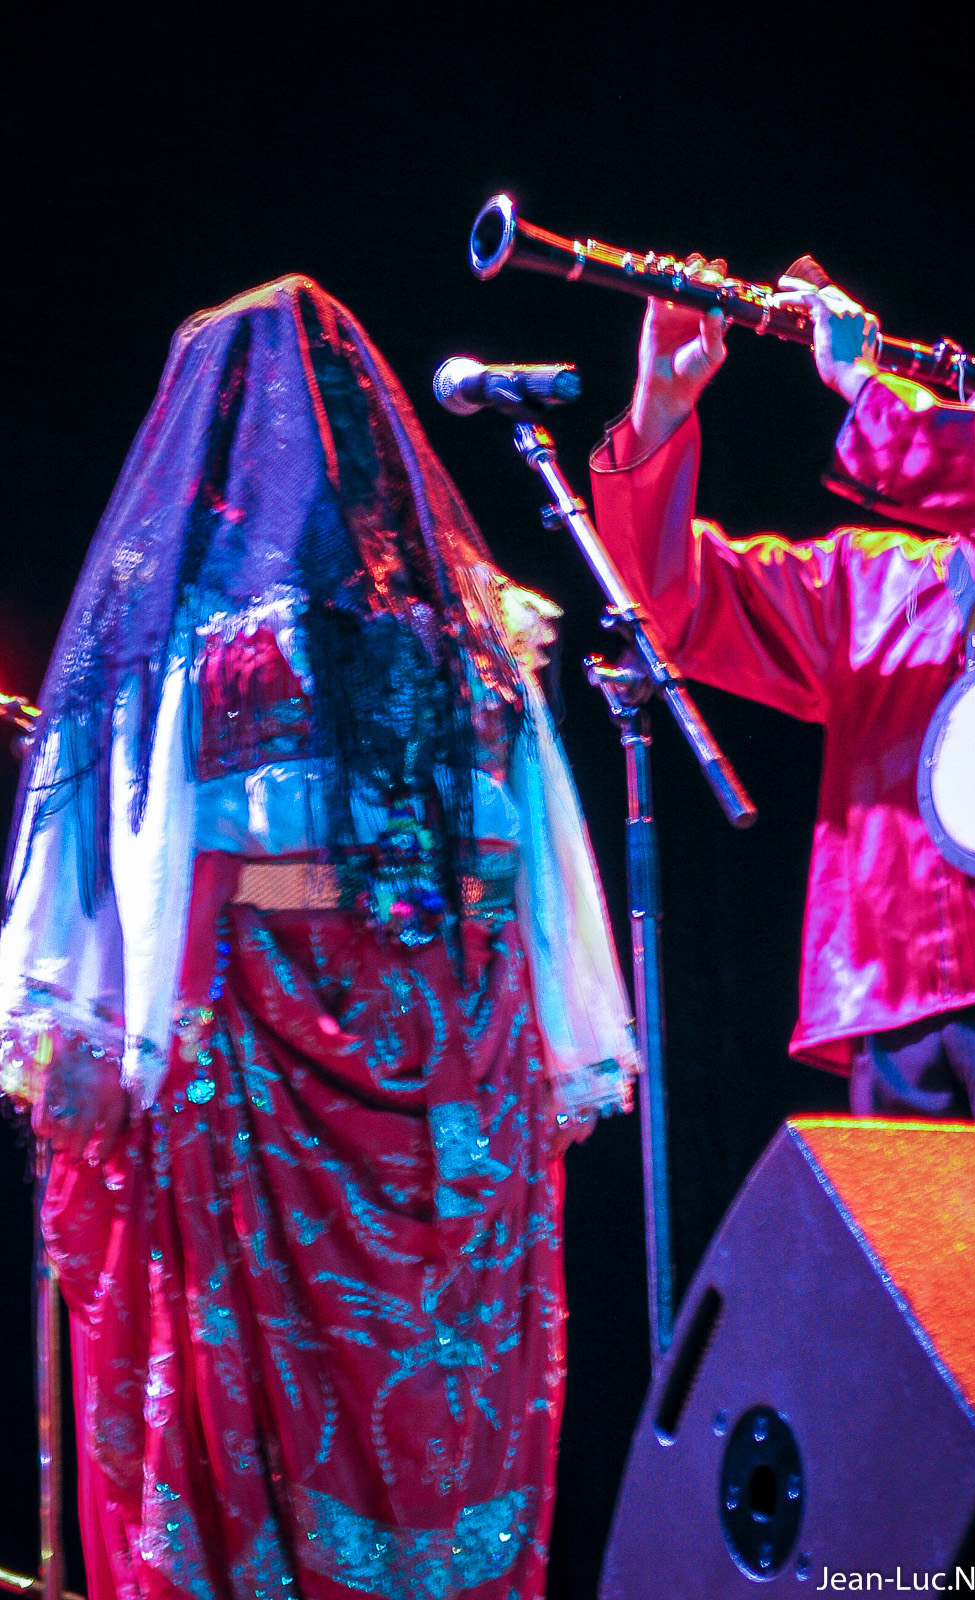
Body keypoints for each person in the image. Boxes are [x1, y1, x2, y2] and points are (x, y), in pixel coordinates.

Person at [0, 275, 637, 1600]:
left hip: (284, 1058)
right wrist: (570, 1041)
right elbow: (543, 863)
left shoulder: (194, 637)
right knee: (432, 1403)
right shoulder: (480, 635)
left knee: (282, 1415)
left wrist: (84, 1023)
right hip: (452, 1064)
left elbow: (124, 851)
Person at [589, 268, 975, 1126]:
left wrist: (866, 381)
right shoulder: (872, 579)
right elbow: (672, 602)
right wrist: (660, 407)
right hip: (884, 1001)